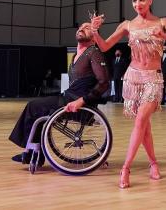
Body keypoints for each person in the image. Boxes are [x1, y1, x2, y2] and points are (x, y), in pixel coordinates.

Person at [90, 0, 166, 189]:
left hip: (153, 79)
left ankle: (126, 168)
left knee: (140, 121)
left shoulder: (163, 22)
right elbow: (104, 47)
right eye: (134, 1)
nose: (137, 4)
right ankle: (153, 164)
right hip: (133, 78)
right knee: (144, 126)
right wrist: (95, 31)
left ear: (150, 0)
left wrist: (163, 35)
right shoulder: (128, 25)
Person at [8, 22, 110, 163]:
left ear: (94, 38)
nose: (81, 28)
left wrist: (82, 101)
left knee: (33, 106)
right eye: (80, 27)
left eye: (87, 28)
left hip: (78, 104)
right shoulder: (76, 56)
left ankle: (32, 154)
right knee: (38, 110)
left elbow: (104, 82)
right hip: (68, 97)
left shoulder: (94, 52)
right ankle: (34, 154)